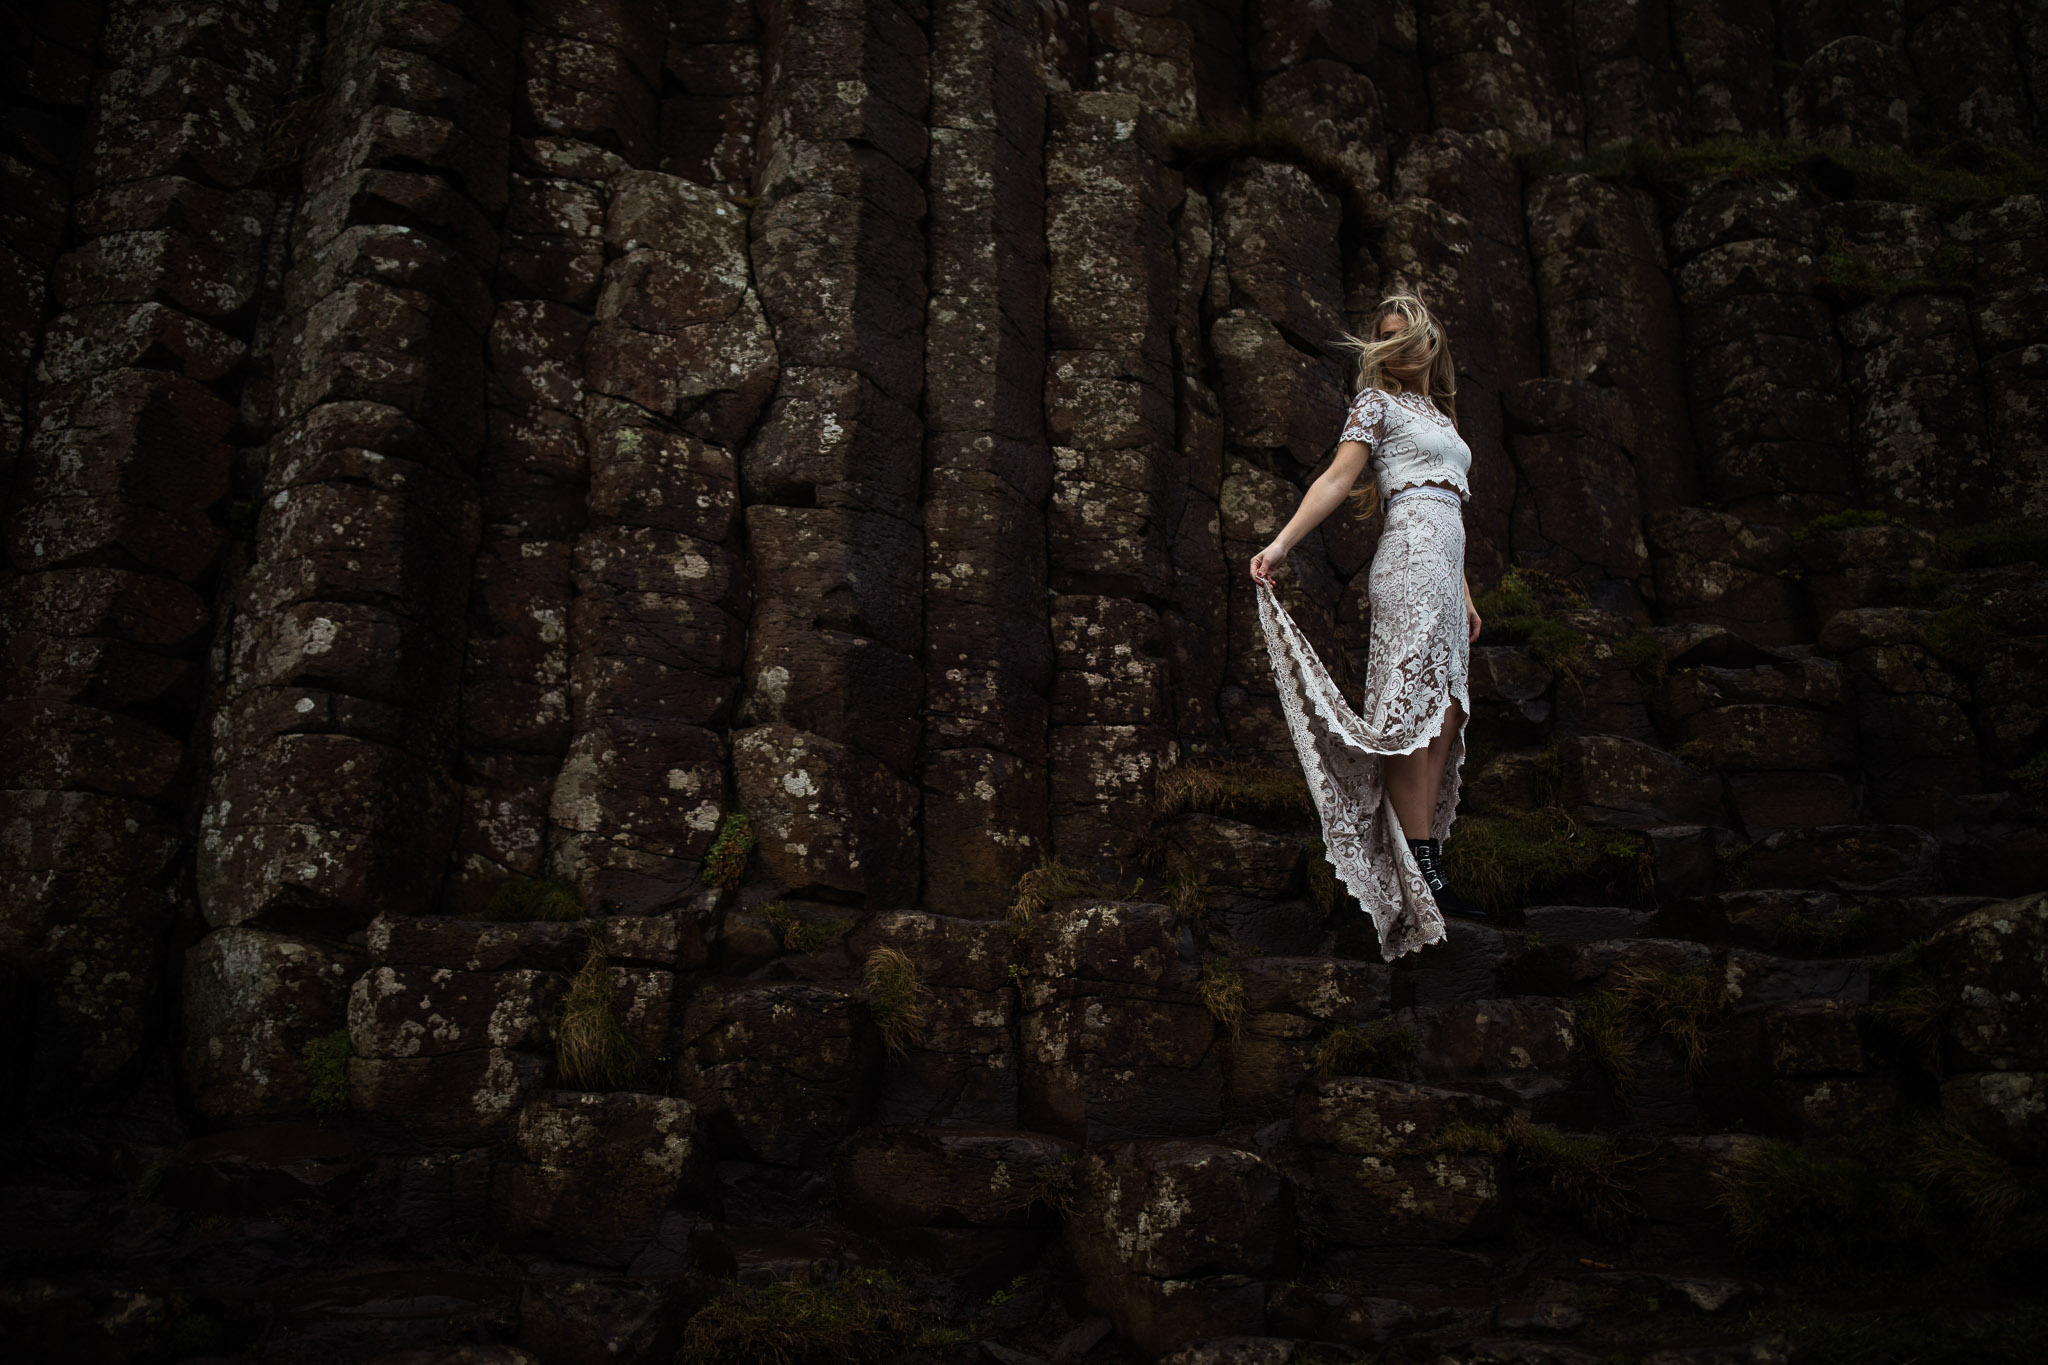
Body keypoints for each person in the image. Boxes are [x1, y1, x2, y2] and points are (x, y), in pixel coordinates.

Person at [1247, 291, 1484, 960]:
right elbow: (1336, 479)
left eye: (1411, 334)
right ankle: (1426, 877)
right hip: (1408, 564)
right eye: (1388, 335)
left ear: (1431, 341)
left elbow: (1448, 509)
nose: (1402, 344)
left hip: (1444, 572)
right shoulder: (1375, 404)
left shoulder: (1438, 412)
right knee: (1412, 719)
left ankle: (1426, 869)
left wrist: (1464, 594)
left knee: (1446, 717)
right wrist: (1282, 544)